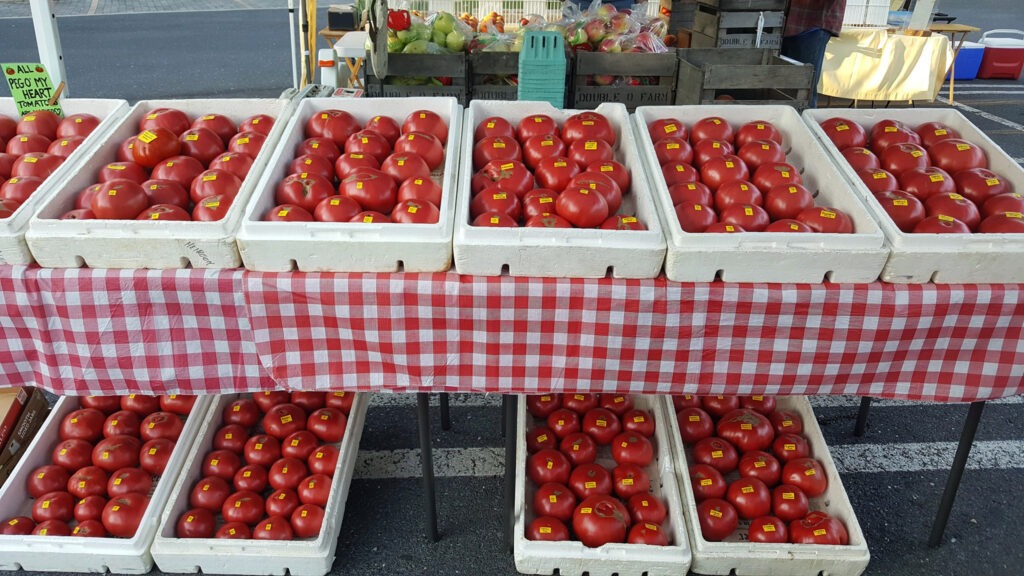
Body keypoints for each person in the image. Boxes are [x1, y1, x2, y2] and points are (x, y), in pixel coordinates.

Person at [781, 0, 847, 107]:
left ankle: (803, 120)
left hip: (811, 21)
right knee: (783, 85)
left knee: (804, 87)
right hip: (787, 21)